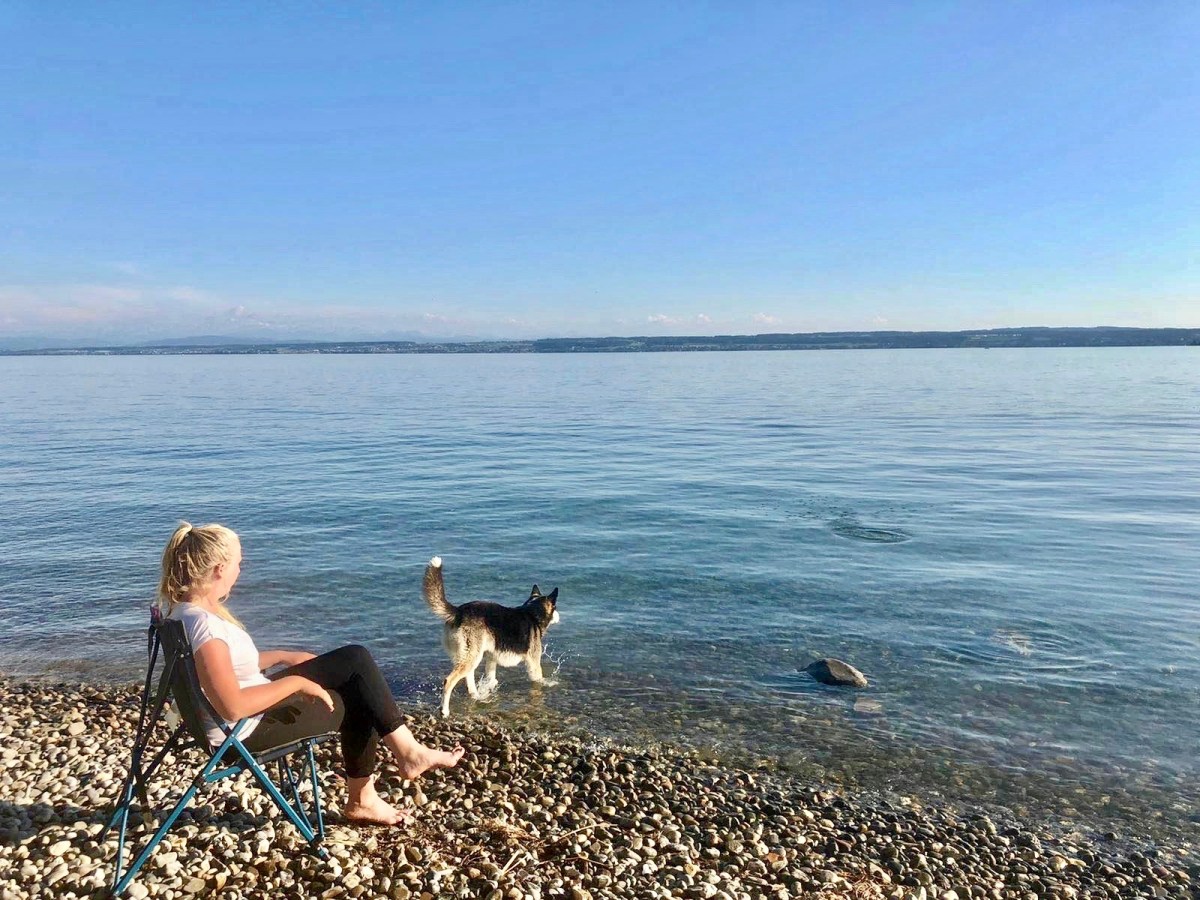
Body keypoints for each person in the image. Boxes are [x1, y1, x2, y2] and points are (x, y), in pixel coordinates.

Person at [157, 521, 463, 826]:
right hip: (243, 732)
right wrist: (295, 682)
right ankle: (369, 793)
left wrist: (282, 656)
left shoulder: (182, 614)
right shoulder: (206, 627)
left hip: (236, 718)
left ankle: (406, 754)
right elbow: (233, 705)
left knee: (354, 659)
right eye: (239, 563)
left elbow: (225, 668)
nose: (241, 570)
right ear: (220, 569)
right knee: (358, 696)